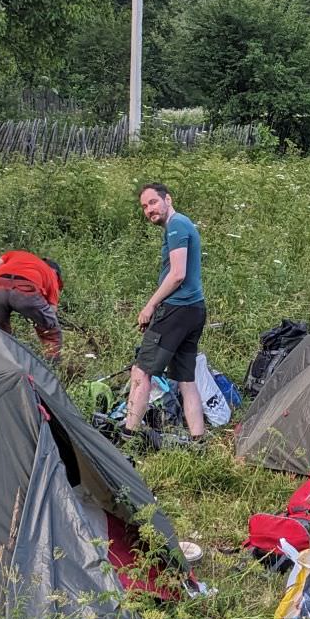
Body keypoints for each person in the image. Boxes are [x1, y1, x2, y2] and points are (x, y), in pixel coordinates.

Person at [124, 181, 207, 449]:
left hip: (177, 309)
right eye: (144, 206)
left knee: (141, 371)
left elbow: (177, 274)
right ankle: (198, 441)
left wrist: (150, 306)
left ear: (167, 199)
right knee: (186, 378)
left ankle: (127, 437)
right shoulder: (182, 224)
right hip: (194, 310)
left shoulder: (177, 224)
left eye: (153, 202)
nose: (149, 210)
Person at [0, 248, 64, 361]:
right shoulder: (51, 275)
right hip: (26, 288)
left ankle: (0, 363)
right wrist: (37, 321)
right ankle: (51, 368)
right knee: (52, 333)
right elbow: (52, 311)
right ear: (56, 273)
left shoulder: (15, 254)